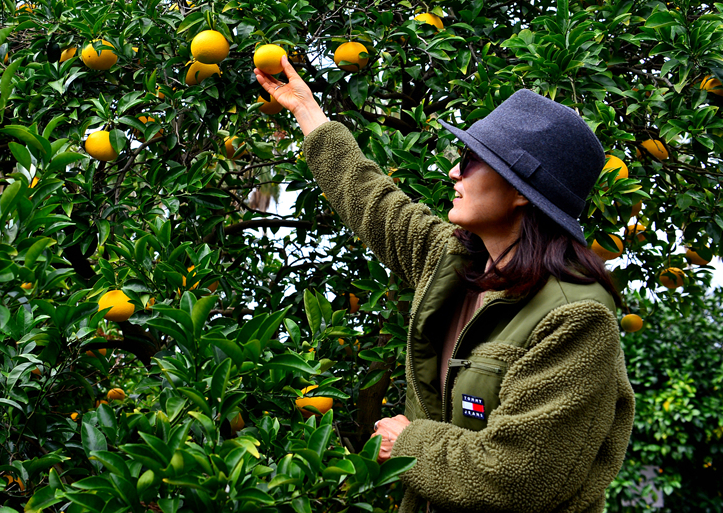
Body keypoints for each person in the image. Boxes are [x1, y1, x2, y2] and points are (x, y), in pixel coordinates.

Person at [256, 56, 634, 513]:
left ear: (520, 191)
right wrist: (306, 110)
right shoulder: (453, 261)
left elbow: (520, 476)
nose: (455, 171)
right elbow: (370, 199)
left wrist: (409, 443)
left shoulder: (575, 318)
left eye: (472, 161)